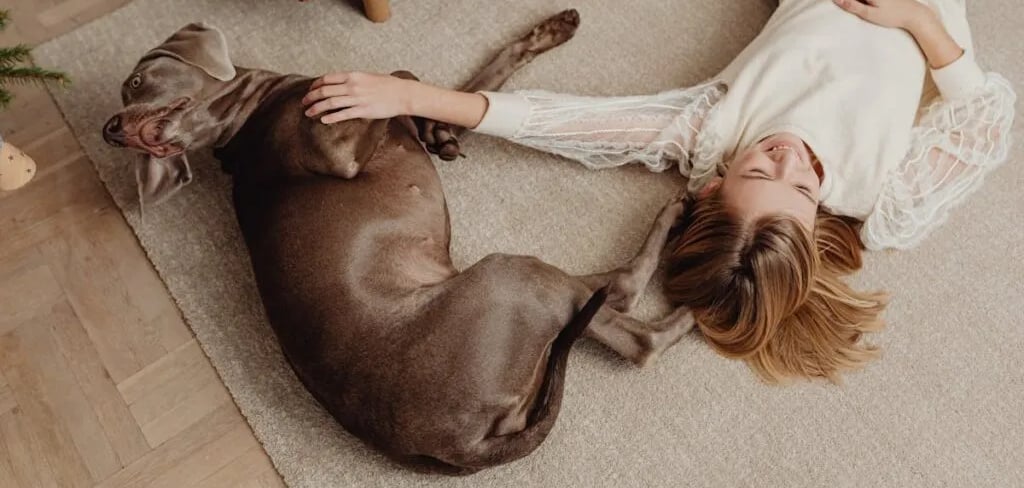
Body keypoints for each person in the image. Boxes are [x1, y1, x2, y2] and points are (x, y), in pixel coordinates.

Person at [300, 0, 1016, 382]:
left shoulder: (709, 129)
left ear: (711, 187)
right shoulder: (886, 199)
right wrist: (918, 20)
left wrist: (408, 92)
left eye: (762, 172)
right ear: (812, 221)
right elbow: (987, 114)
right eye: (798, 187)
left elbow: (557, 121)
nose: (791, 159)